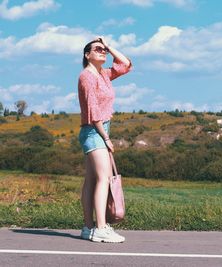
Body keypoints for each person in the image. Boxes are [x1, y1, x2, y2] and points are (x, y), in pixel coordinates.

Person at [78, 37, 132, 243]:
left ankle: (88, 227)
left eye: (104, 50)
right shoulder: (87, 76)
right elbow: (94, 111)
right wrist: (106, 138)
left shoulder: (104, 75)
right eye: (98, 49)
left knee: (92, 180)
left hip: (97, 130)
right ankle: (100, 228)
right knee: (104, 178)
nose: (103, 52)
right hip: (95, 130)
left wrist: (109, 46)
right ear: (87, 55)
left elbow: (125, 64)